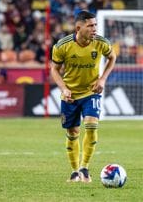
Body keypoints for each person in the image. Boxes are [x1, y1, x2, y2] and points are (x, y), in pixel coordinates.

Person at [50, 11, 117, 183]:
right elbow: (54, 70)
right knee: (73, 132)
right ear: (79, 27)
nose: (95, 29)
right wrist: (64, 89)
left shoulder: (101, 43)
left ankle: (84, 168)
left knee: (91, 124)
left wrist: (102, 79)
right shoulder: (62, 46)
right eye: (91, 25)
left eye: (95, 25)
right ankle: (74, 172)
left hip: (90, 92)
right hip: (70, 94)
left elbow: (112, 57)